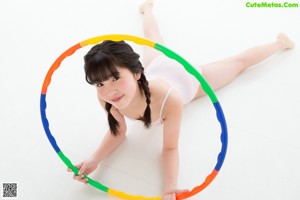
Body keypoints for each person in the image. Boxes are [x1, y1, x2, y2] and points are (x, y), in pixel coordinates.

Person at [68, 0, 294, 199]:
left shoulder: (170, 100)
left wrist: (169, 188)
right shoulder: (107, 98)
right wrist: (94, 160)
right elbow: (118, 132)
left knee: (238, 63)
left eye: (115, 78)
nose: (109, 91)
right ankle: (148, 8)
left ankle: (280, 43)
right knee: (153, 38)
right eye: (100, 83)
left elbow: (169, 149)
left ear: (137, 73)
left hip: (186, 79)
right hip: (157, 66)